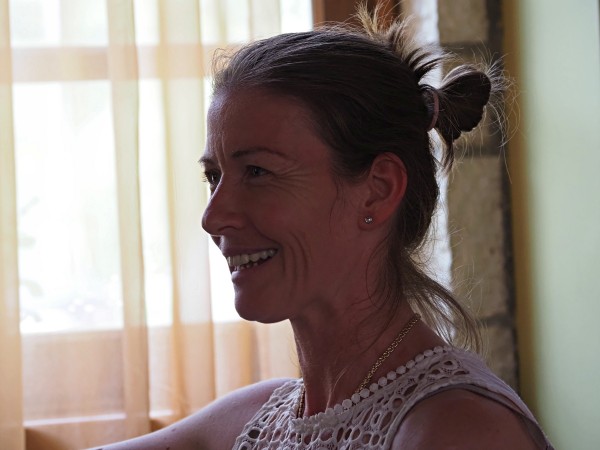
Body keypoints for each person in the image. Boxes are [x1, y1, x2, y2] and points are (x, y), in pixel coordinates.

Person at [96, 6, 553, 450]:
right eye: (214, 177)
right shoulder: (255, 419)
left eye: (257, 172)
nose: (212, 217)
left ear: (377, 190)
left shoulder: (459, 431)